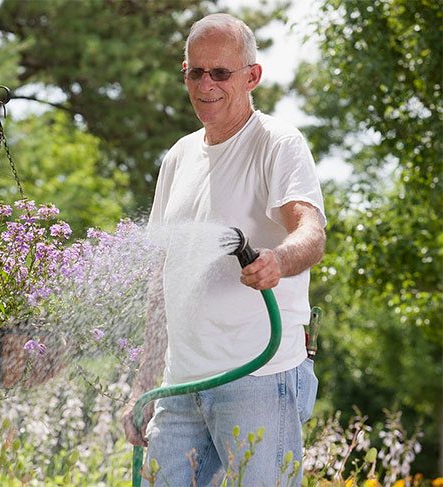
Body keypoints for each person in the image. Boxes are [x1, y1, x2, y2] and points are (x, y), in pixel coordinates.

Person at [121, 13, 327, 487]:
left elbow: (310, 232)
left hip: (259, 377)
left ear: (251, 76)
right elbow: (162, 282)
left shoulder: (277, 144)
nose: (206, 84)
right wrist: (144, 383)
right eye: (196, 71)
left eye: (221, 72)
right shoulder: (178, 157)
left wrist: (278, 260)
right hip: (180, 386)